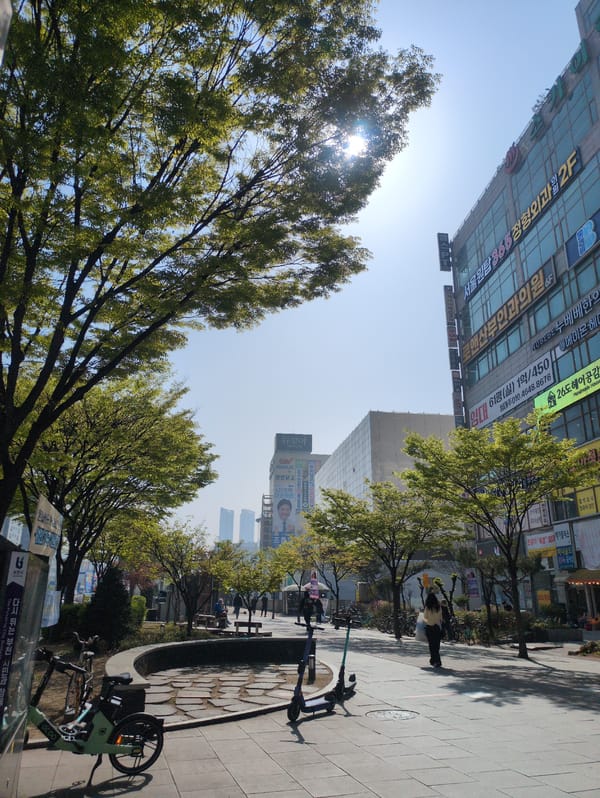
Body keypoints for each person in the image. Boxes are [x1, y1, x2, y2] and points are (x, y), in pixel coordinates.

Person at [423, 592, 443, 668]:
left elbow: (425, 617)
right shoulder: (439, 607)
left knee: (431, 645)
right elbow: (441, 618)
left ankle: (434, 660)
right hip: (437, 627)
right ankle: (437, 660)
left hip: (429, 627)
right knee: (437, 645)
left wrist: (428, 621)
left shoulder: (428, 607)